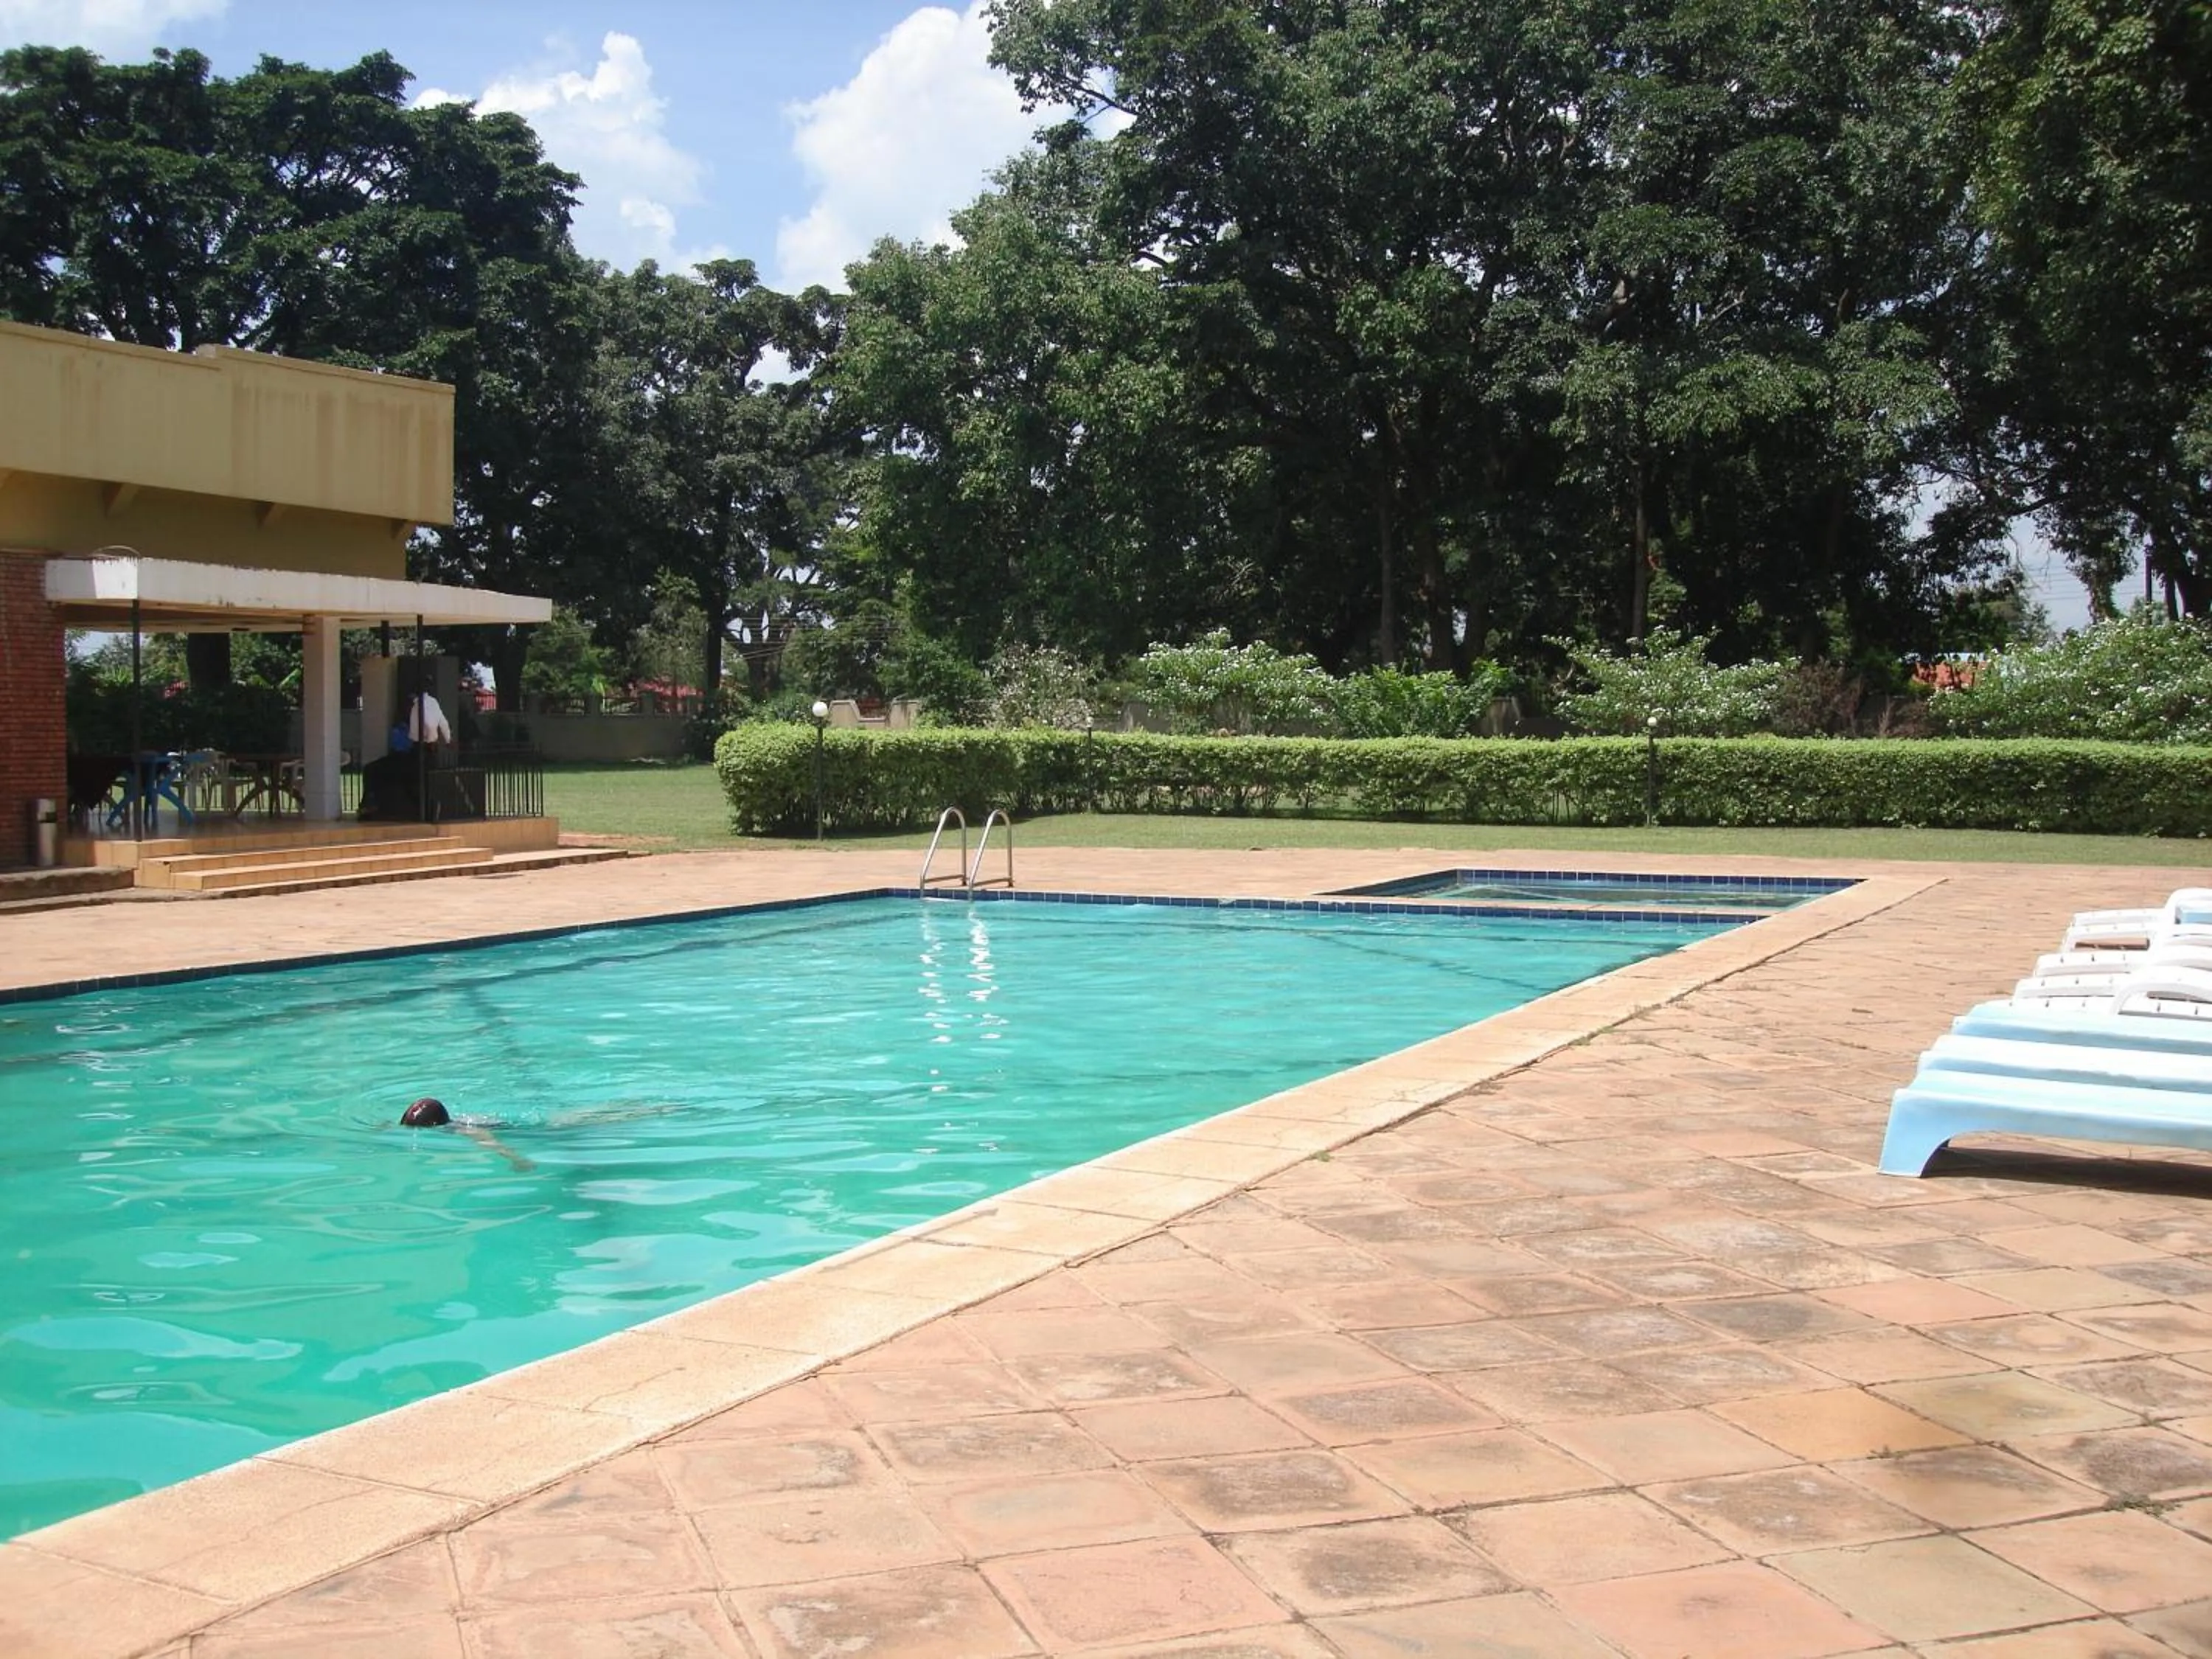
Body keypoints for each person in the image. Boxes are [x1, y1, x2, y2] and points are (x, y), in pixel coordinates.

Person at [399, 1097, 534, 1172]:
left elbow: (490, 1141)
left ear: (431, 1124)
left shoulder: (463, 1129)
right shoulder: (446, 1124)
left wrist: (517, 1159)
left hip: (514, 1130)